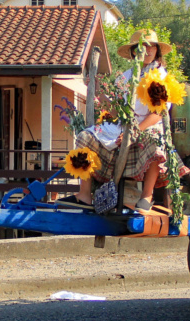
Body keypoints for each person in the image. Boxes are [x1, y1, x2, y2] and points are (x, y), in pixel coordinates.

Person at [64, 30, 172, 211]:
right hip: (124, 126)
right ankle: (84, 194)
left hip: (149, 125)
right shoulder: (126, 77)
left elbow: (158, 114)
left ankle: (146, 196)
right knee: (85, 136)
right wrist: (97, 90)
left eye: (152, 46)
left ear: (157, 50)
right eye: (142, 46)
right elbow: (117, 111)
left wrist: (135, 131)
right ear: (133, 52)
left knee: (155, 140)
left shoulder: (160, 76)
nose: (148, 50)